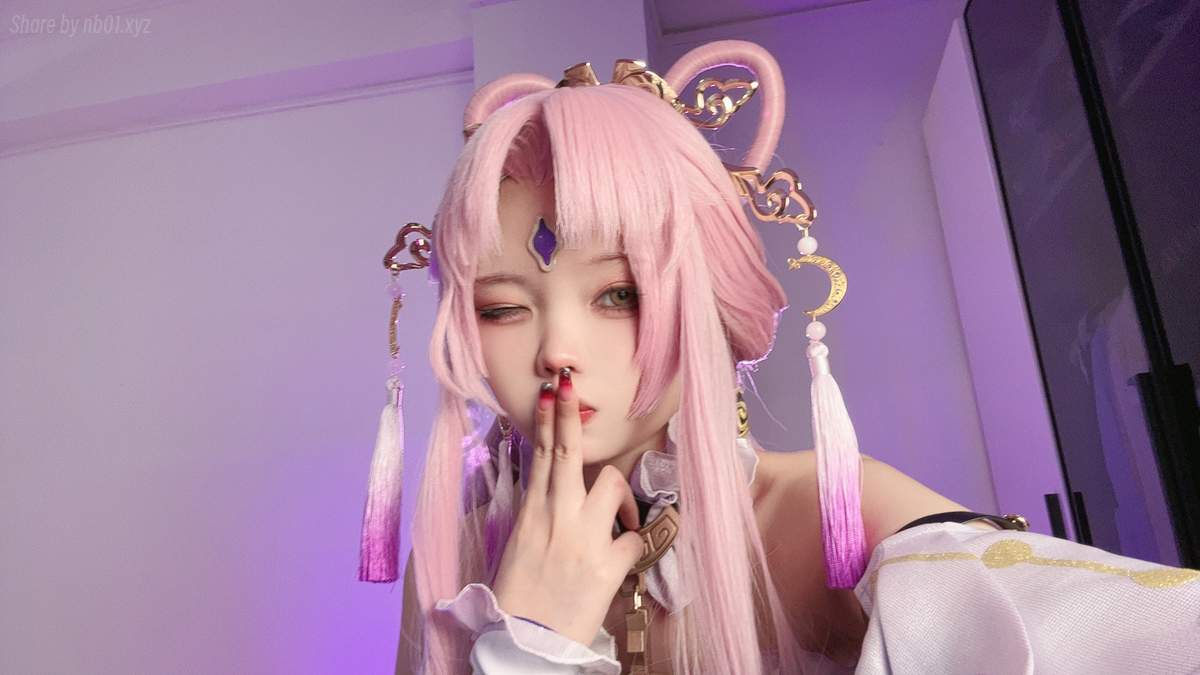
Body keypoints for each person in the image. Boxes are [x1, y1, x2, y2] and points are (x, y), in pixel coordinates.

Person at [368, 41, 1200, 675]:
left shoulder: (829, 521)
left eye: (619, 294)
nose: (557, 349)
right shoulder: (454, 562)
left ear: (710, 299)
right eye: (503, 307)